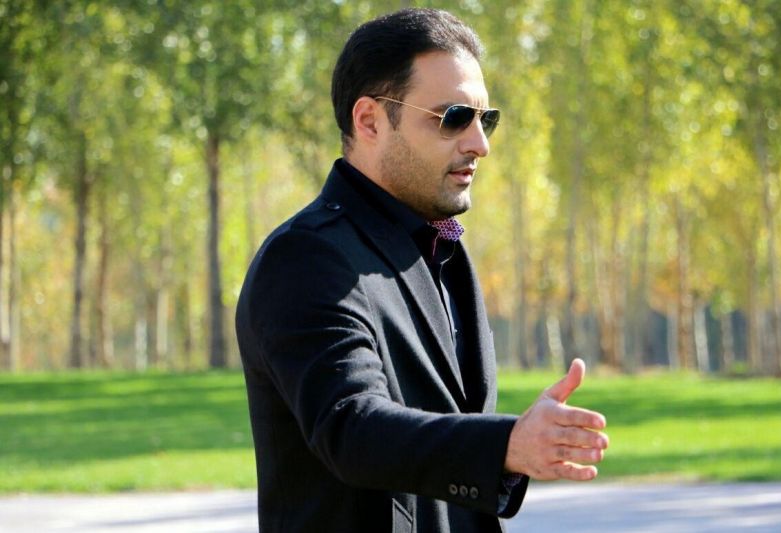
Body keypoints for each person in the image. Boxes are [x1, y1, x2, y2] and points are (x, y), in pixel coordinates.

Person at [235, 8, 609, 533]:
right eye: (454, 117)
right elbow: (351, 427)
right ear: (369, 121)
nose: (480, 144)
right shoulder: (306, 258)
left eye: (486, 119)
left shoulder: (443, 248)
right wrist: (508, 444)